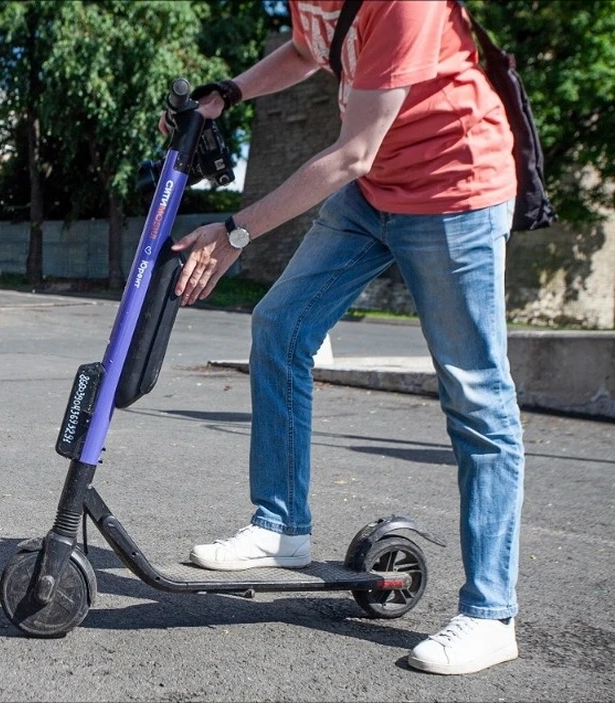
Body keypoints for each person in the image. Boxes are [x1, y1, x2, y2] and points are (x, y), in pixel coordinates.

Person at [162, 0, 525, 676]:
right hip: (377, 191)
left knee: (476, 396)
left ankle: (490, 613)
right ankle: (281, 526)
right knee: (280, 325)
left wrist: (238, 230)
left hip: (455, 191)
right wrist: (231, 92)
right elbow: (308, 50)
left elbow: (353, 152)